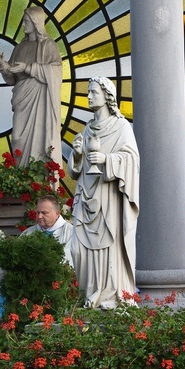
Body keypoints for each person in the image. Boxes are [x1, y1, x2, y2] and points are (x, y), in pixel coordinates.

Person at [68, 77, 139, 309]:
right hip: (87, 196)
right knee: (79, 249)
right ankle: (90, 292)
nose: (88, 96)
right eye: (88, 92)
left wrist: (107, 159)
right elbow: (77, 170)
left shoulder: (121, 127)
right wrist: (77, 155)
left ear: (107, 96)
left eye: (93, 93)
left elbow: (132, 160)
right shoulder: (87, 129)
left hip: (109, 198)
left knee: (110, 248)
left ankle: (111, 295)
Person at [0, 6, 62, 165]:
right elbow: (12, 79)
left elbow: (56, 72)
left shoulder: (48, 46)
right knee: (17, 138)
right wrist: (2, 66)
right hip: (22, 100)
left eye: (26, 21)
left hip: (39, 102)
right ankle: (22, 179)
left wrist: (29, 68)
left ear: (36, 22)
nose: (23, 24)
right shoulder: (20, 47)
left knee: (39, 141)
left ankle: (37, 181)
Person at [20, 195, 74, 267]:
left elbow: (68, 261)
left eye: (44, 213)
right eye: (38, 212)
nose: (39, 216)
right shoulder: (28, 233)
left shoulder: (71, 232)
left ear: (57, 214)